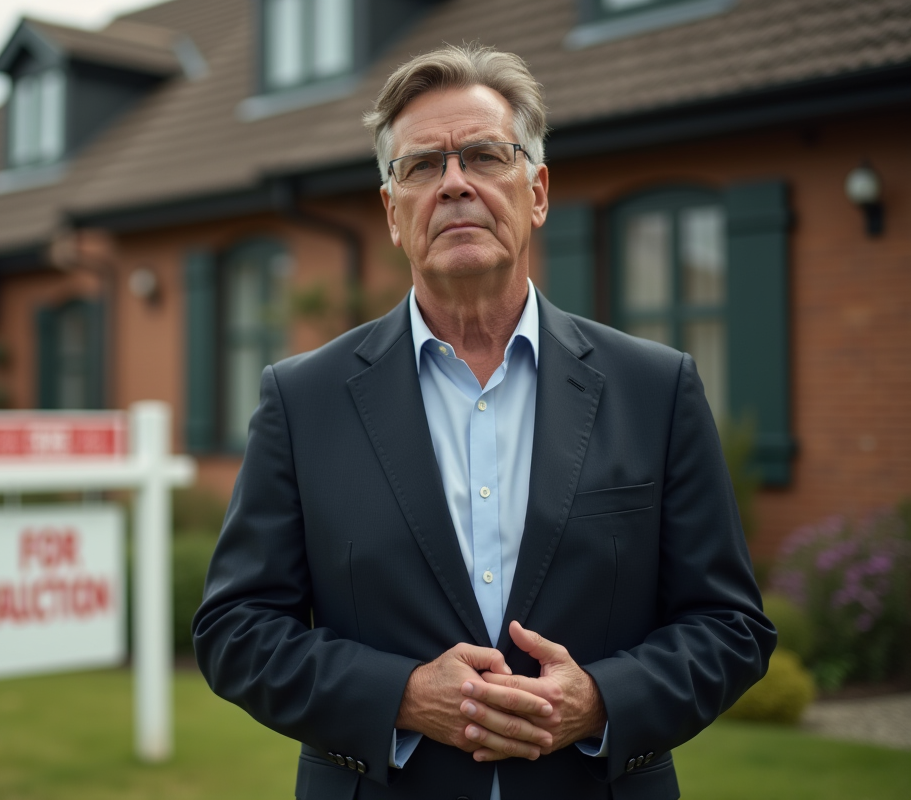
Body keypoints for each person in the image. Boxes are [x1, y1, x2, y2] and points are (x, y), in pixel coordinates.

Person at [193, 43, 774, 800]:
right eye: (422, 166)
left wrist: (599, 700)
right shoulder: (303, 400)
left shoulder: (655, 388)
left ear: (535, 192)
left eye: (484, 156)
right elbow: (235, 631)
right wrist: (402, 695)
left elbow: (730, 628)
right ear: (391, 211)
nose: (455, 184)